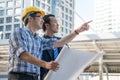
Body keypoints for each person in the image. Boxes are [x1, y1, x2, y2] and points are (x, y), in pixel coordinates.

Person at [8, 6, 91, 80]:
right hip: (19, 76)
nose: (42, 20)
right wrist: (45, 64)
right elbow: (23, 54)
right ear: (30, 18)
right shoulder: (19, 32)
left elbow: (60, 42)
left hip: (35, 77)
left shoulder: (38, 39)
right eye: (40, 17)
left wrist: (77, 31)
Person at [40, 14, 63, 80]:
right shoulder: (39, 42)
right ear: (47, 25)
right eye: (55, 22)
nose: (58, 25)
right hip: (46, 77)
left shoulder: (61, 41)